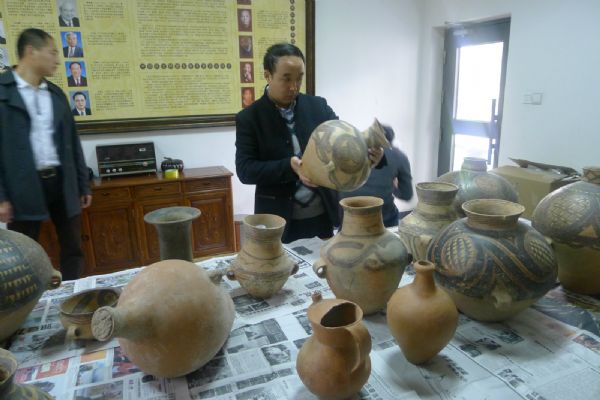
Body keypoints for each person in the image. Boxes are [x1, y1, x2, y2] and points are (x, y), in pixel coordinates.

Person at [235, 42, 383, 243]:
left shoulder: (318, 106)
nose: (294, 86)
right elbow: (245, 170)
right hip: (277, 221)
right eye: (286, 79)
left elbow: (342, 143)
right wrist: (289, 166)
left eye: (299, 78)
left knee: (322, 261)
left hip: (322, 216)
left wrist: (370, 157)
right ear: (268, 75)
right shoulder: (250, 118)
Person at [0, 28, 92, 280]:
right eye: (52, 52)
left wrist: (83, 185)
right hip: (22, 186)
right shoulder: (3, 92)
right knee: (22, 253)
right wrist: (1, 197)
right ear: (31, 51)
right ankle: (31, 298)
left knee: (73, 247)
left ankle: (73, 292)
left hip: (62, 182)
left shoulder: (55, 93)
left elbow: (72, 142)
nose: (57, 60)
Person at [339, 125, 413, 227]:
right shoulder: (399, 156)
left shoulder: (347, 150)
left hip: (348, 216)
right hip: (383, 218)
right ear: (390, 141)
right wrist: (393, 187)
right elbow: (407, 195)